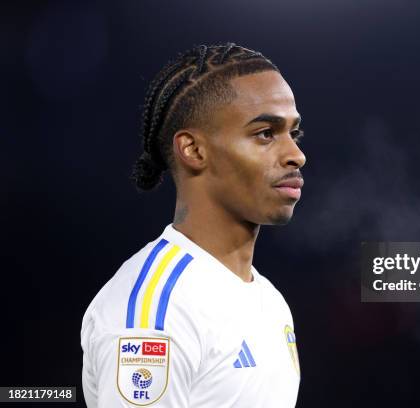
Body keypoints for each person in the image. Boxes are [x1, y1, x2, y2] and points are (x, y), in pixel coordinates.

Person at [81, 43, 306, 407]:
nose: (296, 154)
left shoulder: (270, 301)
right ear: (194, 150)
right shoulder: (154, 313)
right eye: (266, 133)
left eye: (292, 134)